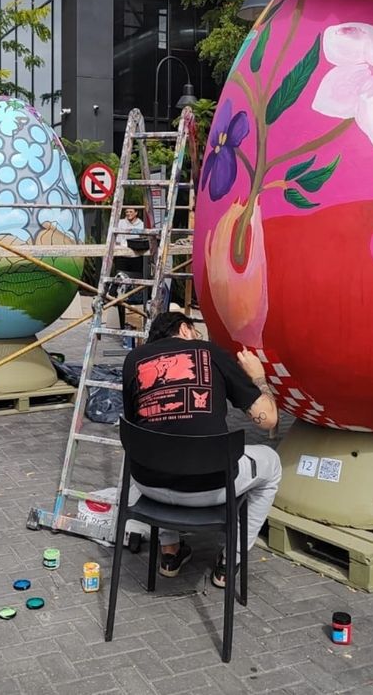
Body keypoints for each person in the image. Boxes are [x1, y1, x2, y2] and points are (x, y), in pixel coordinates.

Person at [122, 310, 281, 588]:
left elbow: (137, 425)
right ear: (185, 329)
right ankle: (230, 560)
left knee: (157, 444)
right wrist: (257, 377)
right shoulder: (210, 353)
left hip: (149, 483)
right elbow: (269, 420)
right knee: (272, 463)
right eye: (196, 331)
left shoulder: (133, 360)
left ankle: (170, 553)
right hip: (211, 486)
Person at [110, 206, 145, 330]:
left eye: (131, 212)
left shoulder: (141, 225)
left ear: (136, 213)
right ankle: (121, 322)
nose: (128, 214)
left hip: (136, 258)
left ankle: (138, 319)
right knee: (120, 287)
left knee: (136, 288)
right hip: (122, 257)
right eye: (127, 212)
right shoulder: (120, 223)